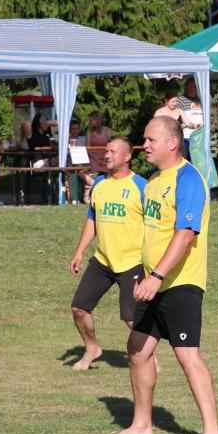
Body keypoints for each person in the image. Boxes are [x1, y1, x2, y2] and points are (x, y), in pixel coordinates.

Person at [109, 117, 218, 434]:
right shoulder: (155, 181)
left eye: (150, 139)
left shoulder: (188, 178)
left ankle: (213, 433)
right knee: (138, 350)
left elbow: (186, 234)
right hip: (153, 282)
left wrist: (158, 275)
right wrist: (143, 275)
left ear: (172, 143)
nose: (144, 144)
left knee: (188, 355)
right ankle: (142, 424)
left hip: (180, 283)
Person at [68, 137, 147, 370]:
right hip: (103, 261)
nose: (107, 155)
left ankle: (149, 358)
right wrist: (79, 252)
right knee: (79, 308)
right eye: (106, 151)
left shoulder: (142, 187)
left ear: (127, 156)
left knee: (131, 319)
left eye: (113, 151)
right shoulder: (99, 184)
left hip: (133, 262)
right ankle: (92, 348)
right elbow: (92, 220)